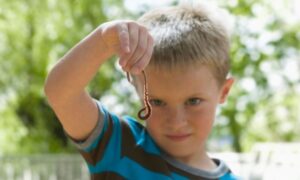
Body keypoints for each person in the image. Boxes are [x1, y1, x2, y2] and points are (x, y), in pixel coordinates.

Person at [44, 2, 238, 180]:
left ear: (224, 92)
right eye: (157, 102)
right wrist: (104, 41)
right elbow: (61, 93)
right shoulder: (119, 145)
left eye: (193, 101)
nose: (177, 121)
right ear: (136, 89)